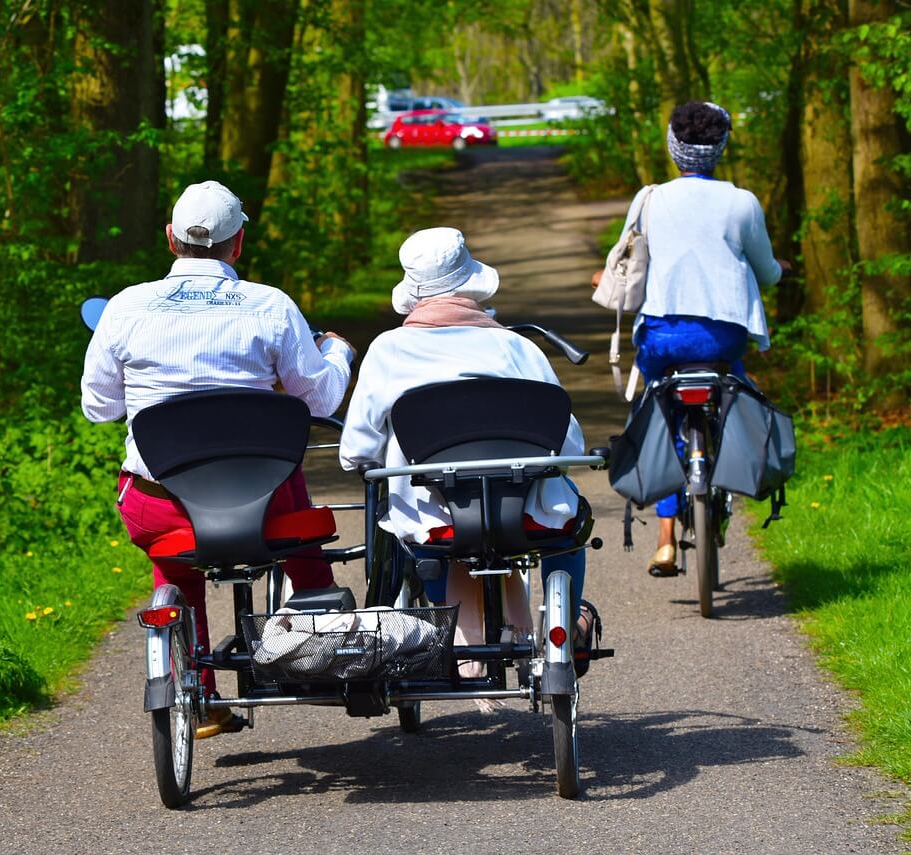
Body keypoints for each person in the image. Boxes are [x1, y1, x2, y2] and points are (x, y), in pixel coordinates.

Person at [81, 180, 355, 738]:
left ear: (170, 239)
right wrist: (339, 354)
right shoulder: (270, 305)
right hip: (261, 507)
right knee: (289, 490)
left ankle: (197, 688)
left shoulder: (126, 307)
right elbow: (321, 398)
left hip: (163, 507)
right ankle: (319, 637)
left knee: (176, 555)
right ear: (238, 245)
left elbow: (99, 406)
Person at [339, 227, 593, 688]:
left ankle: (450, 630)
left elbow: (356, 450)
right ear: (470, 281)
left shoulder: (388, 350)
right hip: (524, 512)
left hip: (437, 518)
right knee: (568, 520)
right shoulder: (518, 348)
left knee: (411, 536)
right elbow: (569, 443)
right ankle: (570, 620)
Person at [595, 101, 783, 577]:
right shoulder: (742, 202)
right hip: (724, 337)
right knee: (736, 392)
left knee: (655, 414)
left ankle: (663, 538)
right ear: (720, 149)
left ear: (673, 148)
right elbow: (766, 270)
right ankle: (724, 477)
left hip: (663, 336)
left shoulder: (651, 199)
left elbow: (630, 261)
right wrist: (781, 271)